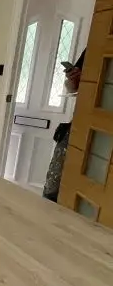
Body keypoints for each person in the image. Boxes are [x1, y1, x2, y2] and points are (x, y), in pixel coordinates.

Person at [43, 49, 85, 201]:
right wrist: (73, 79)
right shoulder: (93, 48)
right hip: (78, 124)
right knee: (54, 184)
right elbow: (72, 87)